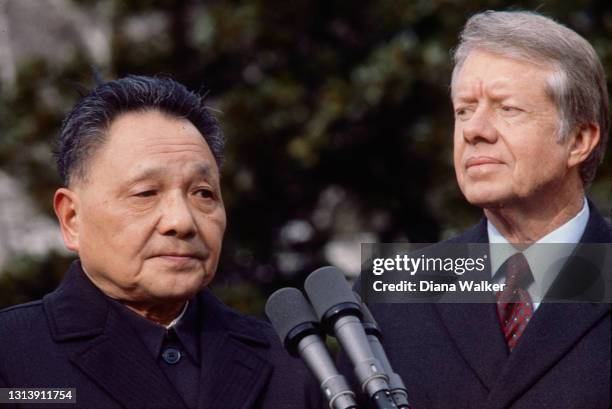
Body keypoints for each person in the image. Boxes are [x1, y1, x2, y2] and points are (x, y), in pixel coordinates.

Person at [0, 76, 320, 409]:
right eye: (146, 193)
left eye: (203, 193)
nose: (181, 221)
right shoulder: (12, 356)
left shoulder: (290, 362)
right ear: (72, 218)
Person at [360, 11, 611, 408]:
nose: (474, 130)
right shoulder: (395, 290)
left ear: (579, 139)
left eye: (506, 108)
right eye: (463, 110)